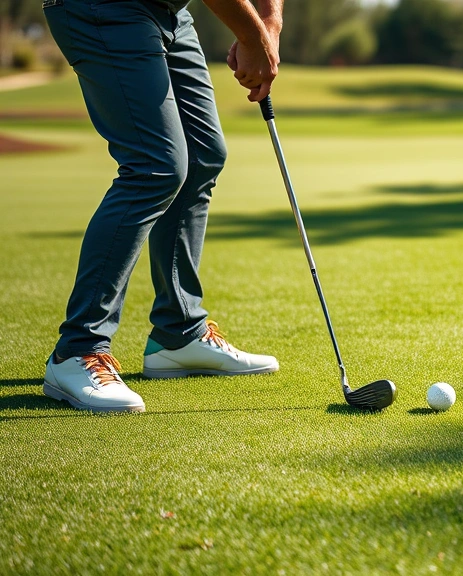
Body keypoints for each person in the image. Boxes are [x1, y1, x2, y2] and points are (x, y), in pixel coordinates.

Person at [40, 0, 285, 413]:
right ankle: (77, 350)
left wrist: (269, 24)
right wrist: (251, 36)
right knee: (155, 166)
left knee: (203, 156)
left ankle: (178, 333)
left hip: (168, 10)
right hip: (102, 6)